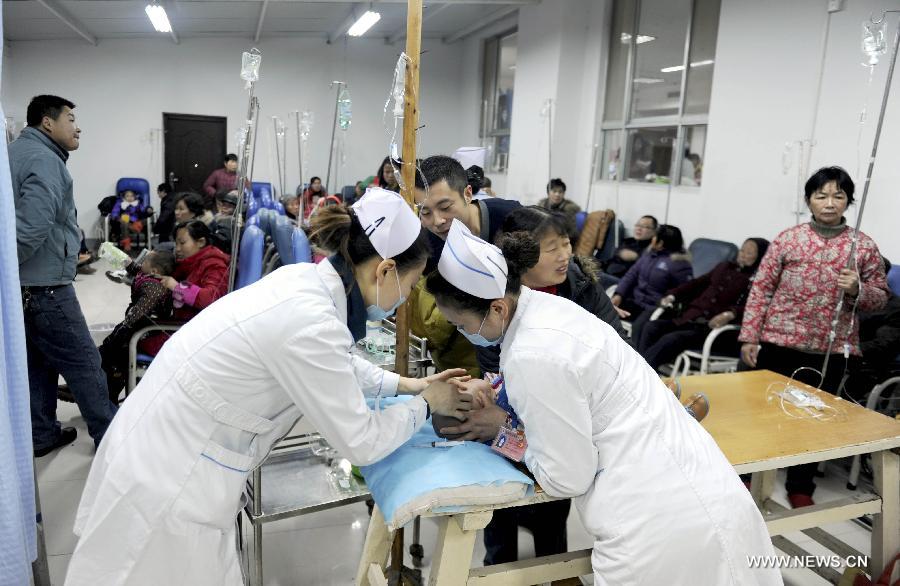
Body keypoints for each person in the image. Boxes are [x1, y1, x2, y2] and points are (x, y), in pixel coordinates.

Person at [67, 189, 472, 585]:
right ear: (384, 270)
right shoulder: (309, 321)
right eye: (411, 283)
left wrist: (408, 383)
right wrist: (427, 403)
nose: (406, 298)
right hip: (170, 475)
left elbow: (338, 364)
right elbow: (362, 441)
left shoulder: (305, 281)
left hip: (163, 440)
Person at [425, 220, 780, 586]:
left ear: (497, 308)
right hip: (709, 493)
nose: (464, 333)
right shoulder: (544, 308)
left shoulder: (532, 353)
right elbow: (576, 386)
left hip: (658, 528)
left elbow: (567, 477)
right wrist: (498, 390)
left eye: (462, 324)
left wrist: (503, 430)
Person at [448, 206, 627, 567]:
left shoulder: (580, 287)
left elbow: (618, 347)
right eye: (551, 247)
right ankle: (499, 564)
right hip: (513, 410)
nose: (564, 255)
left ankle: (552, 566)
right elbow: (493, 365)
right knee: (500, 509)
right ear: (522, 255)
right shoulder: (495, 297)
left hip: (569, 417)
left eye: (566, 244)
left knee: (552, 507)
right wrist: (498, 409)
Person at [739, 166, 888, 508]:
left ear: (849, 200)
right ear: (809, 200)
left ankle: (800, 484)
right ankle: (745, 476)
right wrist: (750, 336)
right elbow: (760, 288)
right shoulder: (788, 239)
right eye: (821, 195)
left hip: (830, 348)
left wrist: (858, 289)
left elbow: (880, 296)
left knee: (812, 419)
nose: (830, 203)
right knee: (759, 413)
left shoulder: (862, 246)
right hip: (777, 341)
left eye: (838, 196)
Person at [11, 94, 116, 456]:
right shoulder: (44, 159)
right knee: (86, 364)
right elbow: (30, 228)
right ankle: (111, 440)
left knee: (38, 364)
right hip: (46, 288)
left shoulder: (17, 152)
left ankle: (41, 434)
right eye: (70, 118)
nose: (78, 126)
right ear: (47, 122)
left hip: (24, 288)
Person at [410, 155, 521, 376]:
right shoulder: (429, 242)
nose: (437, 221)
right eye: (425, 212)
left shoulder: (510, 218)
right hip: (468, 352)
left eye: (445, 207)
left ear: (468, 193)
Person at [638, 238, 769, 371]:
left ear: (760, 257)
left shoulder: (759, 280)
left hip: (714, 329)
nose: (743, 255)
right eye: (742, 250)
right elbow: (697, 283)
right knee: (651, 327)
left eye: (749, 253)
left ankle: (641, 374)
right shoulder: (724, 266)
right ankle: (641, 369)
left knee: (670, 339)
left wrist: (731, 313)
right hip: (691, 319)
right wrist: (672, 295)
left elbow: (756, 308)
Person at [137, 220, 230, 358]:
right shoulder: (190, 262)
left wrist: (177, 287)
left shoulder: (215, 266)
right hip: (181, 324)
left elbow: (210, 298)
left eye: (182, 243)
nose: (177, 249)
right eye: (176, 243)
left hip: (192, 334)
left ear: (201, 242)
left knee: (132, 339)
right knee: (134, 327)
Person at [98, 250, 176, 403]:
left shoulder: (154, 287)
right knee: (110, 351)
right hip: (138, 325)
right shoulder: (149, 275)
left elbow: (141, 310)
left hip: (144, 328)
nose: (141, 264)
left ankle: (104, 391)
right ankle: (101, 384)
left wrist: (127, 324)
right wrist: (125, 261)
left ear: (154, 271)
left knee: (112, 350)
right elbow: (136, 269)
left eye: (145, 261)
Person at [611, 224, 693, 344]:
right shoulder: (649, 254)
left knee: (639, 327)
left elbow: (685, 292)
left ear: (661, 243)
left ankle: (635, 359)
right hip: (637, 301)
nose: (652, 239)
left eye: (655, 237)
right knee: (605, 309)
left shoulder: (680, 264)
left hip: (656, 308)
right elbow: (631, 275)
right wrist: (619, 294)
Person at [600, 214, 658, 283]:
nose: (639, 229)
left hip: (622, 282)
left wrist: (637, 257)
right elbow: (611, 260)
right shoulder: (628, 242)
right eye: (638, 225)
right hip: (607, 273)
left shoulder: (653, 248)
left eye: (644, 227)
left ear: (654, 231)